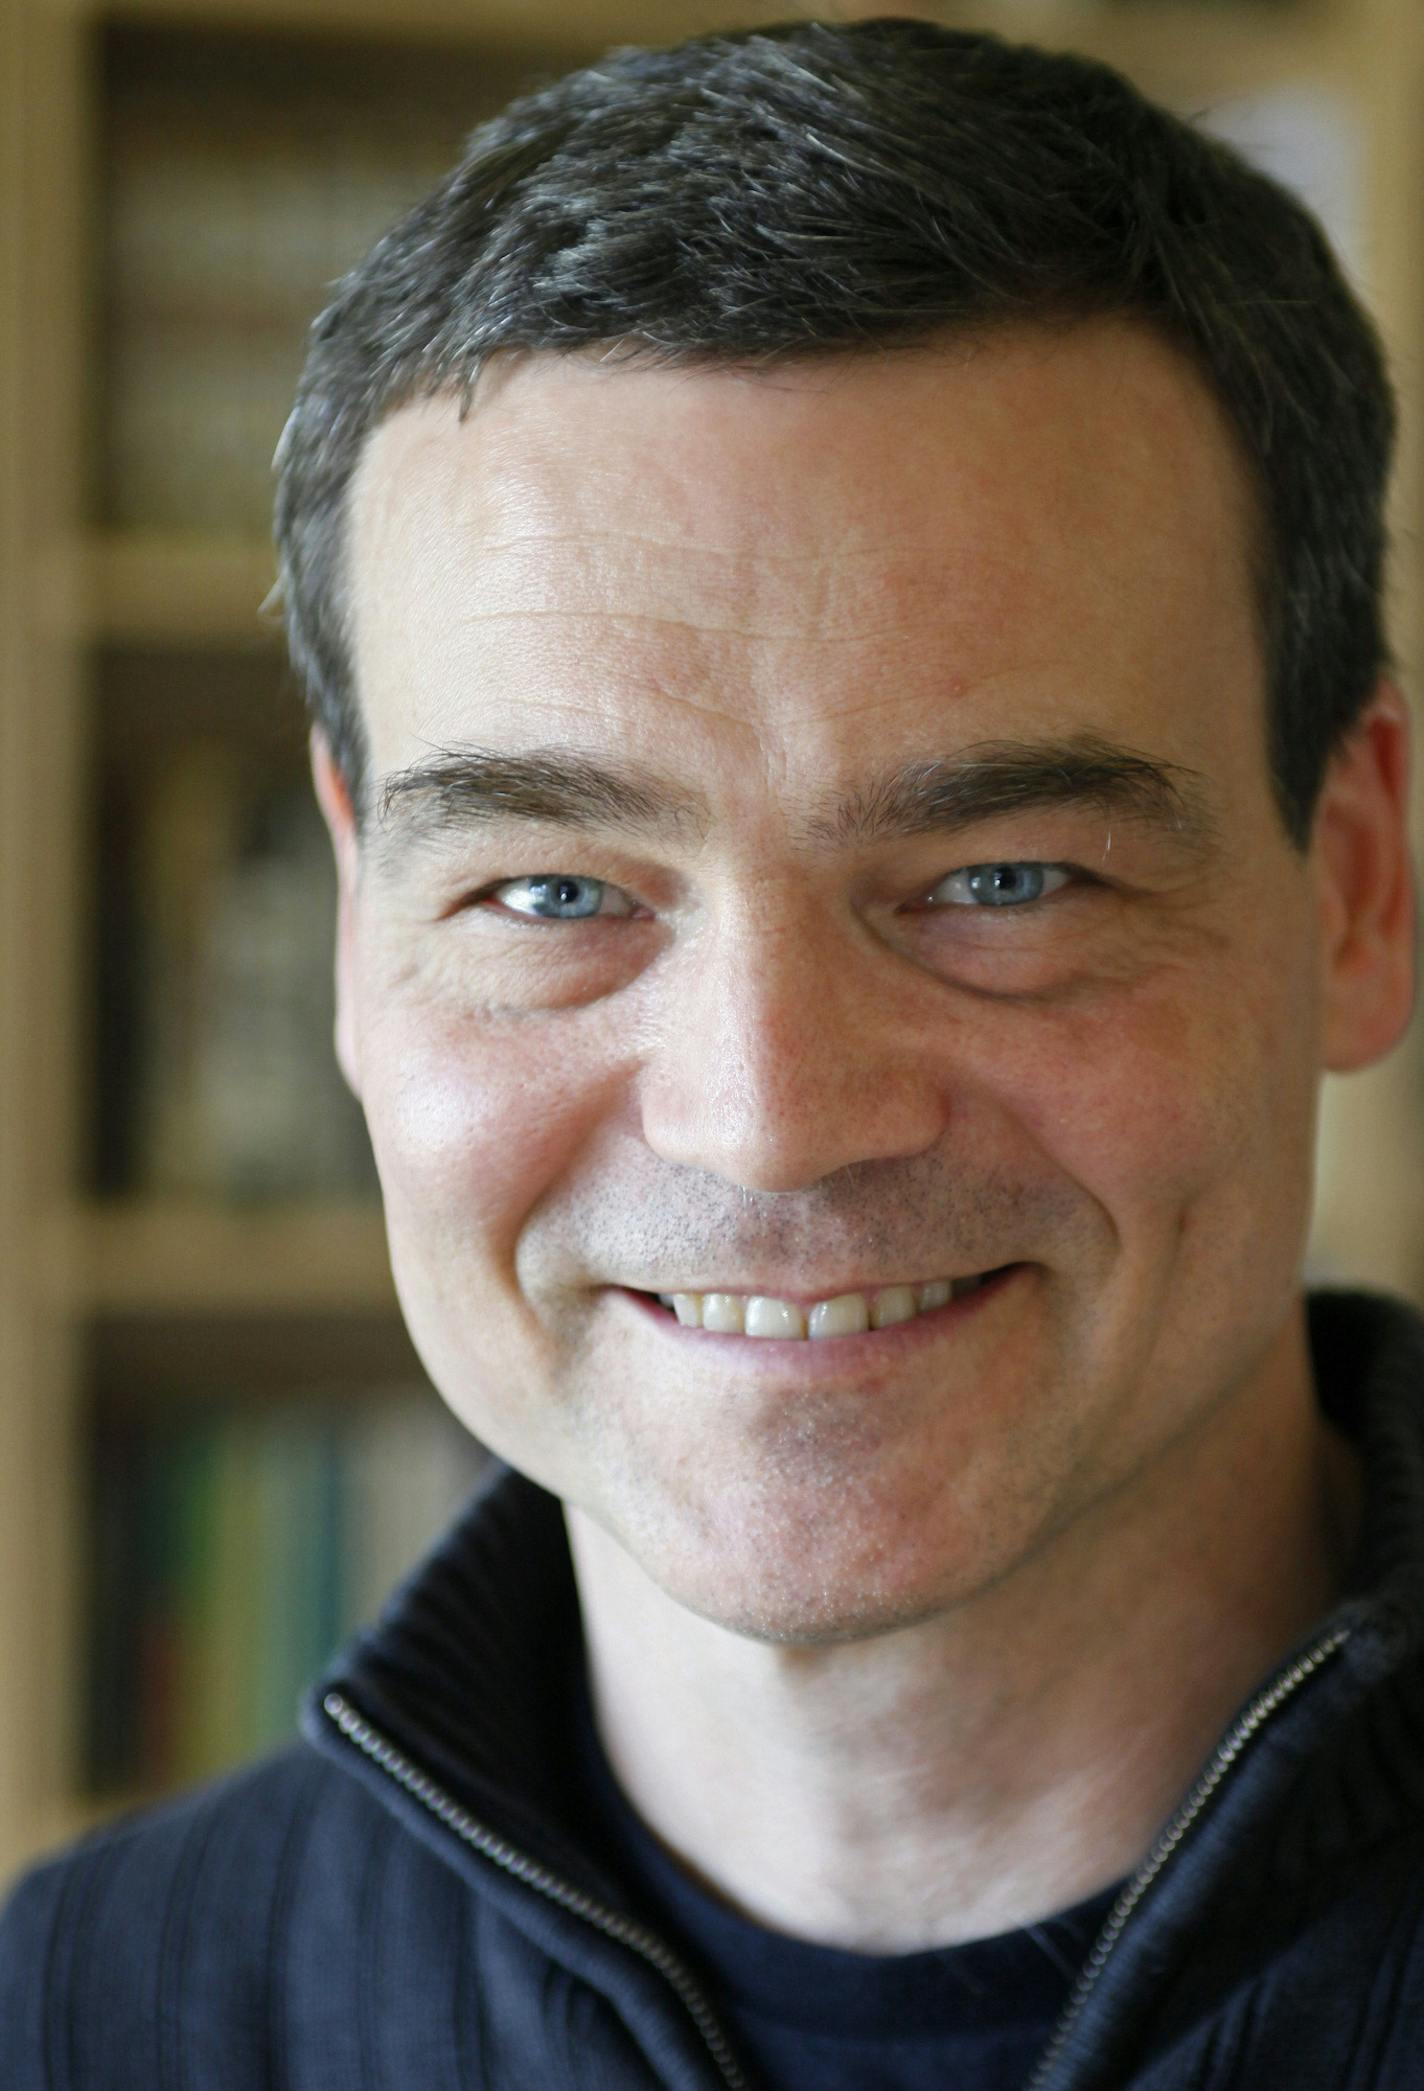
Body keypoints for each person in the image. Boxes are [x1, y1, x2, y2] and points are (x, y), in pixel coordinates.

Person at [3, 17, 1421, 2088]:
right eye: (558, 894)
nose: (767, 1115)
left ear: (1358, 883)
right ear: (354, 926)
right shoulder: (77, 2021)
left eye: (1004, 877)